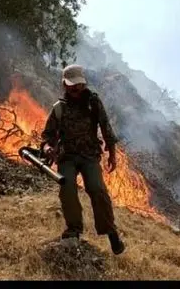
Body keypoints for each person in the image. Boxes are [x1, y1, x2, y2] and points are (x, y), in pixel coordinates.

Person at [40, 64, 125, 255]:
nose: (77, 89)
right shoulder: (59, 109)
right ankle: (73, 230)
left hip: (89, 155)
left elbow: (105, 126)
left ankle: (111, 232)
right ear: (65, 85)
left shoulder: (93, 102)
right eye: (72, 86)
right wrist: (47, 148)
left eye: (79, 85)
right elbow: (47, 135)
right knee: (67, 188)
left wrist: (111, 152)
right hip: (67, 157)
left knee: (97, 189)